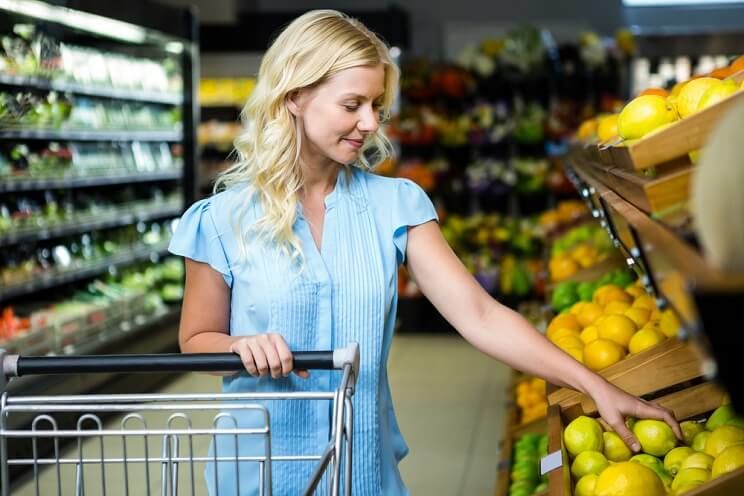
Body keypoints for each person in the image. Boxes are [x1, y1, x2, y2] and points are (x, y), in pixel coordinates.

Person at [169, 9, 681, 495]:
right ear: (295, 97)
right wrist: (239, 347)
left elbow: (479, 314)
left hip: (360, 469)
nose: (370, 124)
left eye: (377, 107)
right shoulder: (220, 220)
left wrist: (595, 385)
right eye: (353, 105)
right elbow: (196, 339)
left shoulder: (397, 204)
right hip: (260, 472)